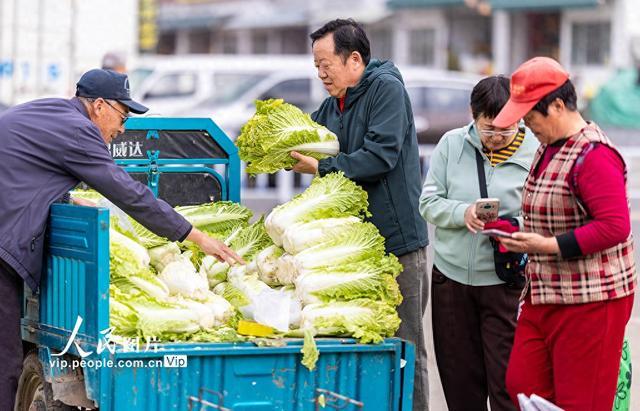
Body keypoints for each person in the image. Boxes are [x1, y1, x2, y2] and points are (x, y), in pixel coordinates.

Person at [0, 68, 244, 410]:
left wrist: (64, 199)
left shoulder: (50, 111)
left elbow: (25, 169)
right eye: (123, 115)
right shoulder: (78, 130)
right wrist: (194, 235)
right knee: (5, 364)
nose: (123, 128)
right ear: (99, 106)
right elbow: (128, 193)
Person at [290, 19, 429, 410]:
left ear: (354, 59)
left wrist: (320, 168)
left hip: (397, 246)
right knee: (363, 344)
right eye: (315, 66)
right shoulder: (334, 103)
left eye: (325, 64)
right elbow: (308, 135)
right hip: (355, 249)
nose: (320, 74)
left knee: (406, 349)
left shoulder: (386, 89)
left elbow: (380, 156)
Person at [494, 57, 636, 410]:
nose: (528, 127)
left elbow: (615, 226)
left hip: (592, 299)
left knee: (580, 401)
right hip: (546, 293)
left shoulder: (594, 154)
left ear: (557, 105)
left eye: (531, 118)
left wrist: (548, 245)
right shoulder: (549, 145)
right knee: (523, 386)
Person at [419, 76, 538, 411]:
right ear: (473, 116)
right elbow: (428, 202)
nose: (497, 138)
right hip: (452, 281)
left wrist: (514, 227)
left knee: (507, 385)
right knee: (460, 386)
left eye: (506, 129)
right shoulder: (451, 145)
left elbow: (546, 215)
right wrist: (463, 212)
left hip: (505, 283)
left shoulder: (536, 152)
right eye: (488, 129)